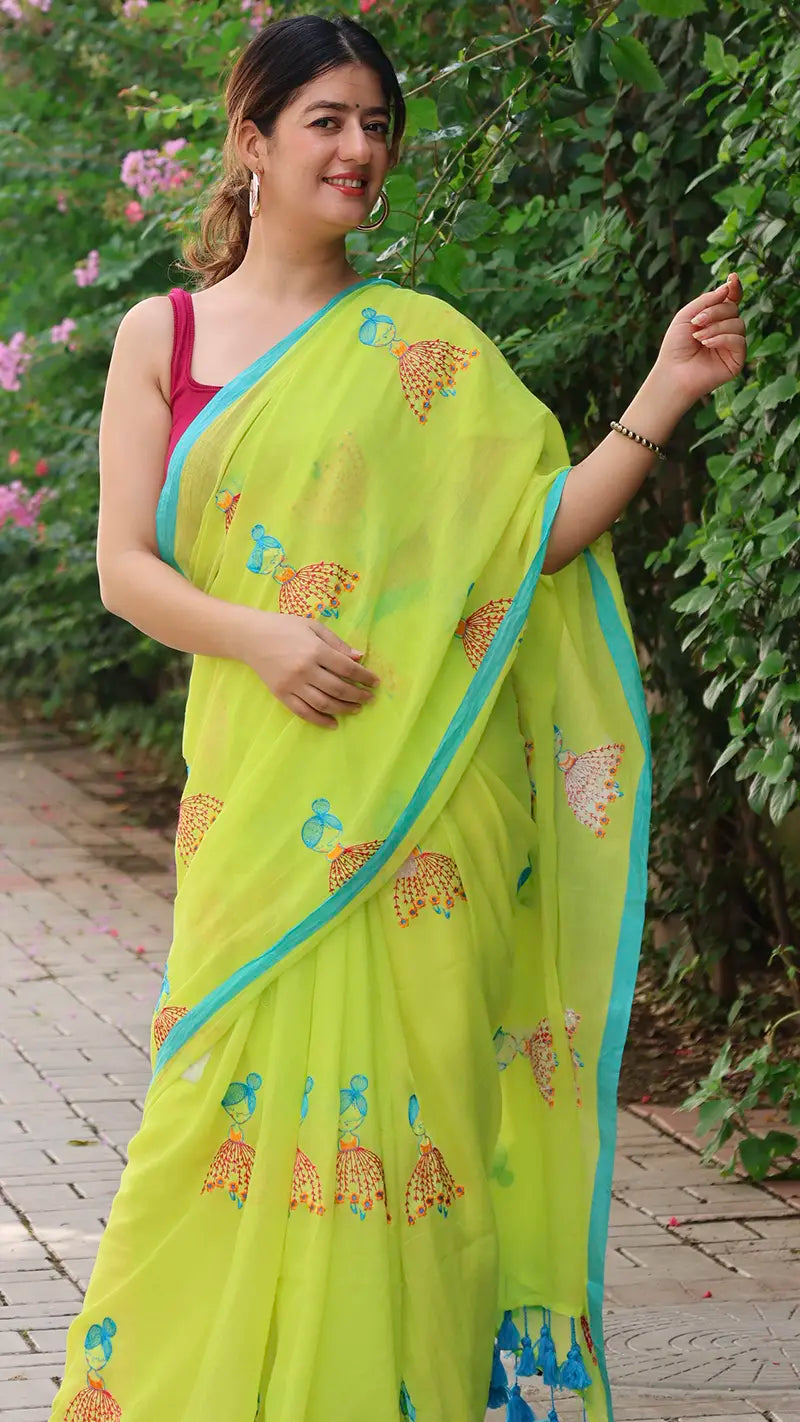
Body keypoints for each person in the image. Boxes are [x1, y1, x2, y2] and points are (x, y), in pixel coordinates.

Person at [48, 13, 746, 1422]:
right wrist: (264, 636)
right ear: (251, 140)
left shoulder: (425, 350)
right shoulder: (162, 335)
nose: (358, 148)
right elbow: (125, 568)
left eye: (377, 124)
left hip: (428, 815)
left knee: (419, 1132)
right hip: (260, 801)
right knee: (208, 1118)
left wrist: (666, 389)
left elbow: (534, 537)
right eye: (326, 120)